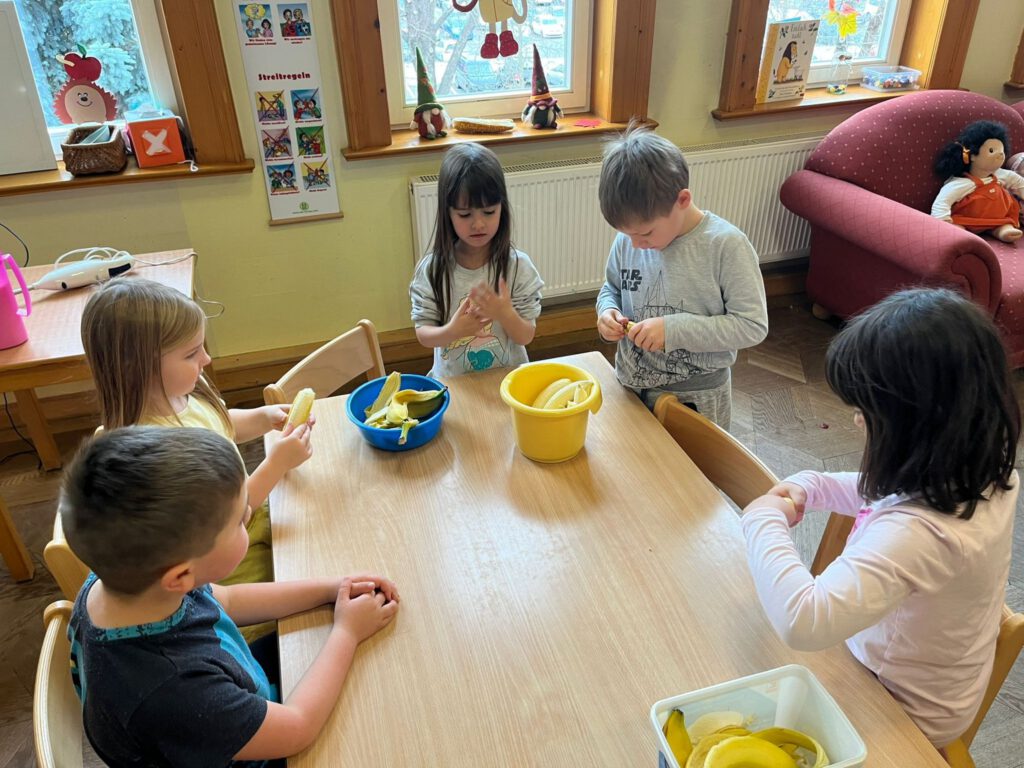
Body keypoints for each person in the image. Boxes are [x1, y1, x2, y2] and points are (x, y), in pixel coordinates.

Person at [740, 288, 1020, 750]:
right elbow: (886, 493)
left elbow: (803, 621)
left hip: (905, 711)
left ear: (918, 426)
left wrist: (761, 520)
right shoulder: (985, 471)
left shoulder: (917, 535)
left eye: (866, 411)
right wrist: (815, 486)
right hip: (934, 679)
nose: (856, 421)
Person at [63, 426, 399, 766]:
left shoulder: (125, 583)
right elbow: (298, 728)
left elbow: (229, 601)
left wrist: (331, 588)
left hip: (228, 700)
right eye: (239, 521)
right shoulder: (175, 689)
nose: (250, 514)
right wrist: (347, 632)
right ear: (180, 576)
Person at [81, 278, 314, 639]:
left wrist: (262, 418)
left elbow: (219, 423)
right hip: (232, 569)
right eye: (191, 354)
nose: (206, 359)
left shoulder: (182, 392)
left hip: (256, 525)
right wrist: (277, 464)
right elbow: (230, 517)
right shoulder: (156, 452)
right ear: (137, 367)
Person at [595, 124, 768, 428]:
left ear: (683, 200)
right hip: (631, 386)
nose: (635, 244)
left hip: (696, 397)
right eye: (626, 234)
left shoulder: (726, 246)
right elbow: (612, 287)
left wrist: (673, 330)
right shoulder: (629, 239)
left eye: (645, 233)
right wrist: (607, 311)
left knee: (693, 461)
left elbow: (752, 326)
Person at [410, 143, 543, 376]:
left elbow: (526, 336)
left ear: (502, 209)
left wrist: (505, 314)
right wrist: (453, 331)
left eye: (489, 212)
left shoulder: (517, 267)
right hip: (453, 384)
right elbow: (424, 334)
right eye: (465, 214)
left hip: (507, 382)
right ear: (448, 213)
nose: (478, 224)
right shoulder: (432, 269)